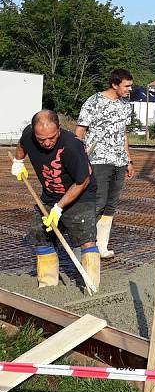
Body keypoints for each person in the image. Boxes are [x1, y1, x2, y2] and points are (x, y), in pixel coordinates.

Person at [11, 110, 99, 288]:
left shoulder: (72, 146)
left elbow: (82, 181)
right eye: (41, 139)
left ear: (59, 129)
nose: (47, 143)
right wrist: (18, 162)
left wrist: (58, 208)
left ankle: (92, 285)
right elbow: (22, 145)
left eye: (51, 138)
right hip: (50, 195)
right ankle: (48, 285)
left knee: (85, 237)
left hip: (79, 194)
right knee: (40, 234)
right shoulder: (29, 135)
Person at [75, 68, 135, 258]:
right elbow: (80, 132)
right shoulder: (94, 102)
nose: (129, 89)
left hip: (119, 161)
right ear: (114, 84)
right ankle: (84, 247)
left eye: (131, 86)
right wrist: (80, 158)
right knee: (97, 203)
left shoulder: (126, 105)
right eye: (126, 86)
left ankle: (101, 246)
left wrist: (128, 160)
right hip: (98, 160)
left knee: (110, 205)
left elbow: (123, 133)